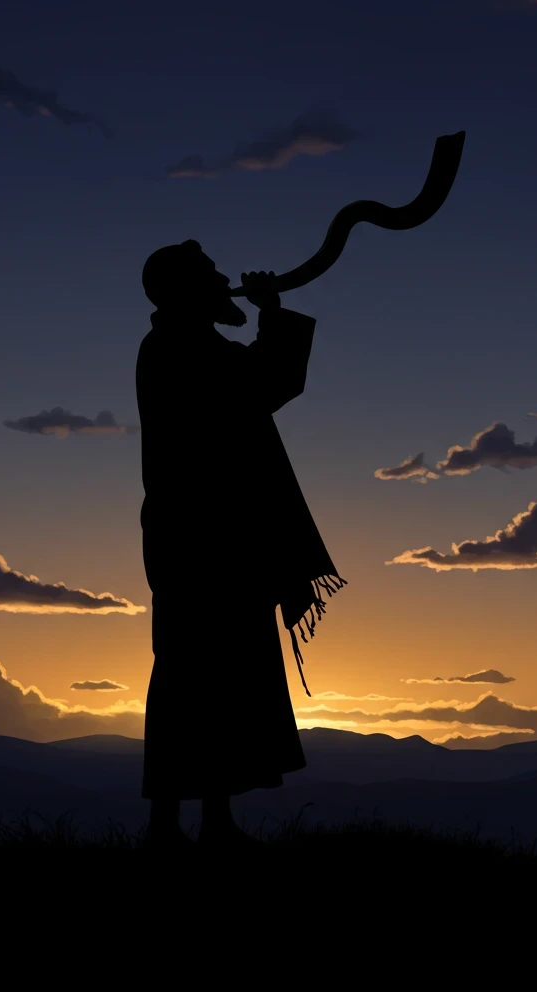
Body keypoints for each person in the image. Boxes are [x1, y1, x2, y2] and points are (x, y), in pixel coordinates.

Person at [137, 239, 346, 850]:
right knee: (190, 680)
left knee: (215, 679)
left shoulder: (185, 345)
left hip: (211, 541)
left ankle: (210, 823)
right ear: (188, 293)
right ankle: (171, 827)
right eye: (212, 277)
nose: (224, 281)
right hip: (202, 544)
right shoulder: (178, 348)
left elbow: (255, 381)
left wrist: (267, 313)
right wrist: (270, 310)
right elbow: (265, 381)